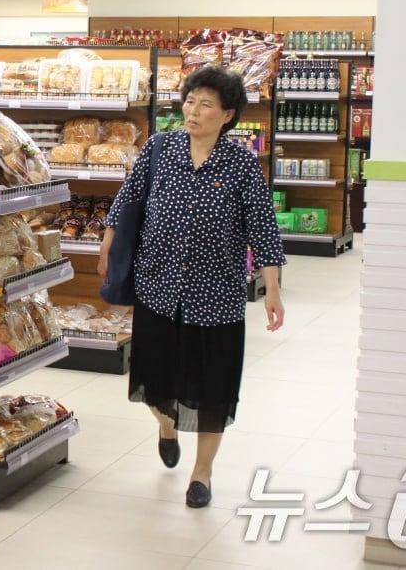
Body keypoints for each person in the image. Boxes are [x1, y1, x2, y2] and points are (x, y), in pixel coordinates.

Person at [98, 65, 286, 509]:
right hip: (158, 286)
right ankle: (166, 424)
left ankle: (202, 474)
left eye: (206, 105)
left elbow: (263, 227)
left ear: (228, 115)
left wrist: (273, 288)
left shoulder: (240, 163)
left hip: (216, 295)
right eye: (190, 101)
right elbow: (129, 197)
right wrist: (108, 243)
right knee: (153, 375)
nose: (193, 111)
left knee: (213, 385)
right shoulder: (161, 148)